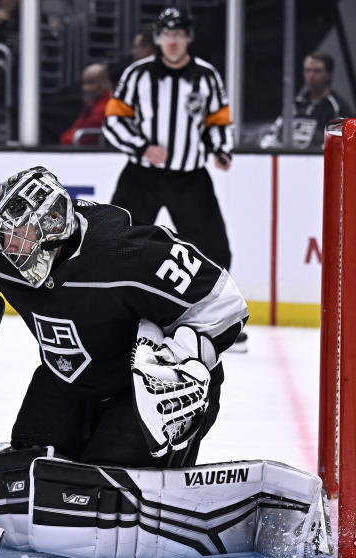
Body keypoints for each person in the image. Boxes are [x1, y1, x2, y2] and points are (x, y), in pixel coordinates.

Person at [0, 166, 330, 558]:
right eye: (7, 238)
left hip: (140, 391)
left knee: (105, 487)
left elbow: (224, 303)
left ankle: (168, 448)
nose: (14, 250)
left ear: (54, 227)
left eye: (23, 237)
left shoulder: (127, 254)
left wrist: (182, 360)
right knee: (32, 471)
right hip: (67, 381)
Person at [103, 8, 245, 348]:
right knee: (113, 243)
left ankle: (220, 322)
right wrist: (142, 147)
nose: (173, 41)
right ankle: (109, 316)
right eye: (167, 34)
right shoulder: (138, 75)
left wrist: (221, 149)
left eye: (179, 34)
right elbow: (113, 120)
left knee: (215, 249)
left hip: (190, 177)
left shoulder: (207, 77)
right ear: (158, 38)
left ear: (188, 38)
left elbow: (218, 123)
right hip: (142, 175)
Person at [259, 51, 354, 150]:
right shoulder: (296, 104)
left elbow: (340, 146)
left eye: (317, 71)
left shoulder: (337, 108)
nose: (311, 76)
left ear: (329, 74)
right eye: (307, 70)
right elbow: (274, 133)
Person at [59, 63, 111, 145]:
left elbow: (85, 139)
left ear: (104, 82)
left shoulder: (107, 105)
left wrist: (68, 137)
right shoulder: (91, 104)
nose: (86, 88)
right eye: (84, 83)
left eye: (91, 83)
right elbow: (75, 128)